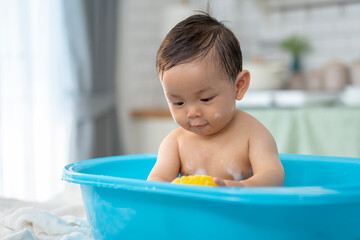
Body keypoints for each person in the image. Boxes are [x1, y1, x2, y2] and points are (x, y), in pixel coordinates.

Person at [147, 12, 284, 187]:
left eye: (205, 99)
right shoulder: (175, 143)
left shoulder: (252, 134)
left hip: (239, 211)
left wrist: (239, 187)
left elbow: (273, 175)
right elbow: (155, 182)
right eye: (178, 103)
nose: (192, 112)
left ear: (238, 86)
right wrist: (171, 187)